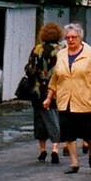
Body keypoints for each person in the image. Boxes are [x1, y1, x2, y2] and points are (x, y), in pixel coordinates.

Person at [43, 22, 91, 174]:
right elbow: (55, 78)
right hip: (65, 100)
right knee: (68, 132)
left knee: (88, 133)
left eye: (74, 37)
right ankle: (74, 163)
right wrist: (49, 98)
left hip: (86, 100)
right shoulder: (61, 54)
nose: (71, 40)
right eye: (68, 38)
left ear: (80, 37)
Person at [23, 22, 63, 163]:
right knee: (54, 118)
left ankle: (42, 150)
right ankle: (55, 149)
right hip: (55, 91)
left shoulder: (37, 49)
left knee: (39, 119)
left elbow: (30, 70)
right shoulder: (61, 50)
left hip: (38, 91)